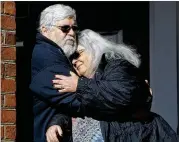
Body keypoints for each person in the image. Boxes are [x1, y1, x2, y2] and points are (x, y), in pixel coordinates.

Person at [46, 29, 178, 142]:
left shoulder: (117, 66)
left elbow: (122, 95)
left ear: (93, 49)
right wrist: (57, 123)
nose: (74, 61)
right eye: (71, 59)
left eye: (77, 54)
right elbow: (70, 108)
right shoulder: (81, 81)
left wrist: (80, 86)